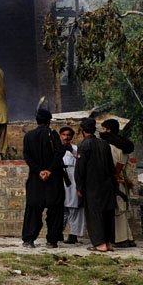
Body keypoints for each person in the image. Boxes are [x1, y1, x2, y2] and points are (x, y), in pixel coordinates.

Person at [20, 108, 66, 248]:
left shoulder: (28, 136)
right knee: (55, 211)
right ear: (48, 121)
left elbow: (27, 156)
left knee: (33, 210)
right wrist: (49, 171)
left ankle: (29, 240)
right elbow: (59, 154)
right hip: (53, 180)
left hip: (36, 179)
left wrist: (39, 171)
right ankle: (52, 240)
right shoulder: (52, 135)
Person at [74, 116, 116, 252]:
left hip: (92, 186)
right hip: (107, 185)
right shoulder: (104, 144)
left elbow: (80, 169)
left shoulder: (84, 145)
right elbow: (111, 168)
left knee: (94, 214)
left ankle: (99, 244)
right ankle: (108, 242)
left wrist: (79, 187)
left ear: (82, 130)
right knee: (107, 213)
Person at [100, 118, 137, 247]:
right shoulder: (123, 145)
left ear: (109, 130)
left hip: (116, 181)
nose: (102, 131)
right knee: (122, 209)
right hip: (123, 182)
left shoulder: (111, 147)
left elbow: (116, 166)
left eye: (104, 129)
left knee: (118, 211)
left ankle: (121, 239)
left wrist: (114, 177)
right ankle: (129, 237)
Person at [60, 126, 85, 244]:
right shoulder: (56, 149)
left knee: (75, 209)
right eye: (64, 135)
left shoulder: (76, 149)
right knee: (61, 210)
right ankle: (58, 232)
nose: (66, 137)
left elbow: (80, 162)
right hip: (61, 182)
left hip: (74, 183)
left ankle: (73, 235)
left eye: (68, 135)